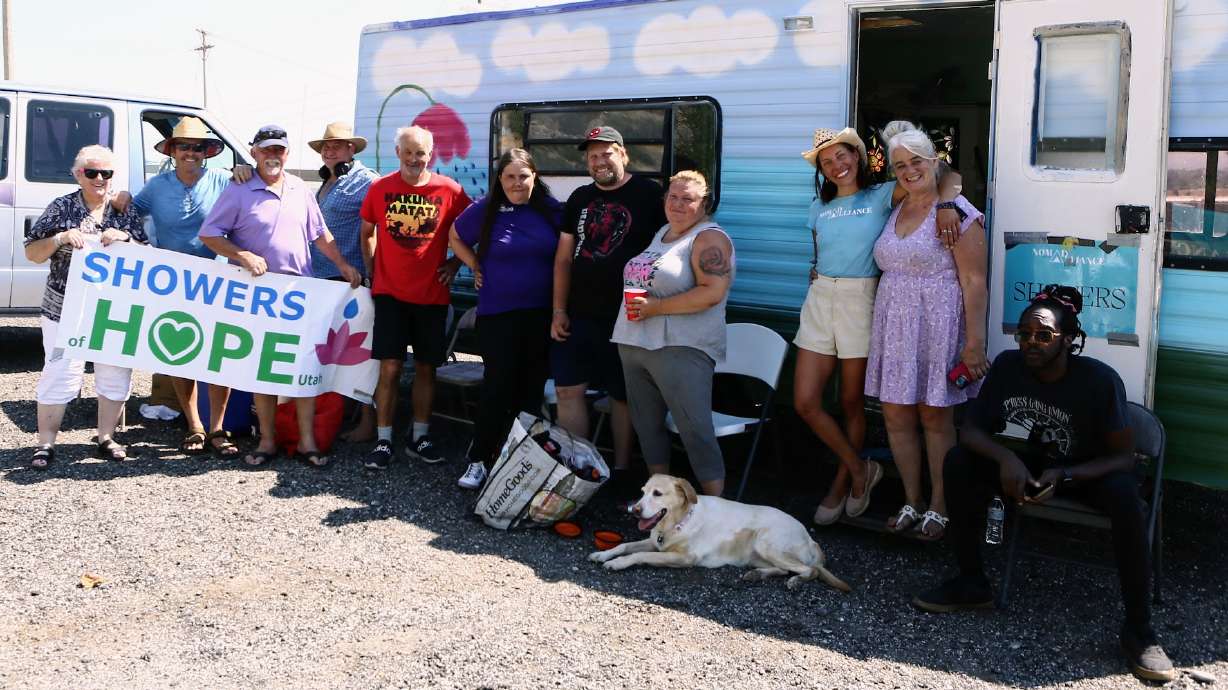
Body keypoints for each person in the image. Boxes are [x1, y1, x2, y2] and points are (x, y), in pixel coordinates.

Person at [913, 285, 1175, 683]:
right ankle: (972, 581)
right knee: (959, 462)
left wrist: (1065, 474)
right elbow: (970, 431)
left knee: (1126, 497)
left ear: (1069, 340)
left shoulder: (1099, 382)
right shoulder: (1006, 366)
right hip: (1023, 469)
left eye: (1044, 335)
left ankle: (1139, 630)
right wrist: (1007, 459)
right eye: (1024, 334)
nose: (1031, 343)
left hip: (1080, 474)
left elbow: (1124, 457)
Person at [794, 127, 963, 526]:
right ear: (821, 169)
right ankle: (859, 469)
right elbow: (821, 253)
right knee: (805, 401)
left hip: (862, 298)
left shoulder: (883, 194)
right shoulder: (816, 208)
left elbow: (948, 174)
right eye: (827, 161)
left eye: (843, 156)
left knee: (852, 402)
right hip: (821, 299)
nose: (837, 165)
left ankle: (841, 483)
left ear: (858, 156)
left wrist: (947, 205)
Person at [199, 125, 362, 468]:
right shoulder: (239, 188)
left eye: (280, 150)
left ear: (287, 154)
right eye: (266, 149)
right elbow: (210, 234)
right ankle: (268, 440)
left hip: (299, 294)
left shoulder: (300, 188)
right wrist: (242, 255)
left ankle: (306, 442)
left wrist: (342, 263)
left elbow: (320, 234)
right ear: (254, 152)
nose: (273, 155)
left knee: (301, 370)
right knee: (263, 371)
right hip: (256, 295)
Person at [864, 120, 988, 540]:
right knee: (896, 417)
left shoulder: (959, 212)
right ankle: (911, 500)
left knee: (936, 418)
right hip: (894, 325)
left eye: (916, 161)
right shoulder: (898, 204)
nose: (909, 170)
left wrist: (975, 345)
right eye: (899, 165)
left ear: (933, 161)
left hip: (938, 325)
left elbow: (974, 282)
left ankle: (940, 504)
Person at [115, 116, 243, 458]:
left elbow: (250, 206)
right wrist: (121, 199)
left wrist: (247, 173)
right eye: (184, 146)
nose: (190, 153)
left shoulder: (224, 181)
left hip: (217, 280)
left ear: (206, 152)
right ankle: (194, 425)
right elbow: (130, 213)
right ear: (172, 151)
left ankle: (218, 427)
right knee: (181, 354)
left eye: (197, 147)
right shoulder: (157, 187)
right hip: (173, 282)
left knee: (219, 356)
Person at [552, 126, 666, 491]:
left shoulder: (649, 193)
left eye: (606, 153)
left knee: (622, 395)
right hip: (579, 311)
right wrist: (558, 310)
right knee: (568, 389)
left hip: (628, 315)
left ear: (623, 154)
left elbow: (669, 246)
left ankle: (620, 471)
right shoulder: (579, 198)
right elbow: (563, 259)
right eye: (593, 156)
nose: (600, 161)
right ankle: (579, 465)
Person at [23, 145, 148, 468]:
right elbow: (33, 253)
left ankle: (106, 437)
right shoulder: (61, 208)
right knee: (60, 372)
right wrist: (61, 238)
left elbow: (147, 256)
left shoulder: (123, 211)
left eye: (106, 173)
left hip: (113, 312)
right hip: (64, 309)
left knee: (114, 373)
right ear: (78, 175)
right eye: (91, 172)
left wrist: (127, 240)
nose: (99, 179)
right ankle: (46, 443)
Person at [611, 171, 734, 496]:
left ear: (704, 204)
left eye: (688, 199)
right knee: (648, 429)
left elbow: (712, 293)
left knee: (695, 432)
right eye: (673, 197)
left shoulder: (709, 239)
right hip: (636, 343)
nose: (678, 204)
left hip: (681, 348)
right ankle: (659, 504)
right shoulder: (664, 232)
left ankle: (714, 508)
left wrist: (656, 308)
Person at [361, 125, 472, 470]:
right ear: (398, 153)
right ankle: (383, 440)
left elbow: (474, 229)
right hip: (391, 293)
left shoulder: (450, 190)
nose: (414, 159)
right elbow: (366, 232)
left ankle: (419, 437)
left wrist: (456, 263)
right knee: (390, 367)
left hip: (432, 295)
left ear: (430, 154)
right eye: (408, 152)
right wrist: (372, 270)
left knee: (427, 367)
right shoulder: (380, 189)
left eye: (420, 153)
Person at [450, 149, 562, 489]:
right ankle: (479, 459)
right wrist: (473, 264)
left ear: (535, 176)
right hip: (497, 315)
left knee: (530, 392)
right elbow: (455, 236)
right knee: (497, 387)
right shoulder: (486, 210)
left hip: (540, 315)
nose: (517, 183)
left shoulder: (554, 212)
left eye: (523, 176)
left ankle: (521, 463)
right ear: (500, 179)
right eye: (510, 177)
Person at [306, 121, 380, 442]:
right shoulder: (325, 183)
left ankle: (368, 422)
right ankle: (332, 416)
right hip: (321, 280)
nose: (328, 150)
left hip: (350, 280)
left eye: (336, 145)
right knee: (329, 355)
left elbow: (378, 227)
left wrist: (373, 274)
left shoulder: (367, 181)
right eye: (325, 146)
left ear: (352, 148)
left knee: (362, 355)